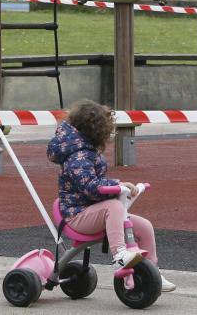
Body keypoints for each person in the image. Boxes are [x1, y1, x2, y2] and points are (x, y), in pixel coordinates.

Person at [47, 100, 176, 292]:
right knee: (115, 207)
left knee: (144, 227)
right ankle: (120, 255)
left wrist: (118, 185)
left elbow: (96, 181)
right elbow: (89, 186)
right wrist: (115, 186)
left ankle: (152, 271)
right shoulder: (78, 155)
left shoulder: (86, 151)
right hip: (77, 215)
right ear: (95, 131)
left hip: (92, 210)